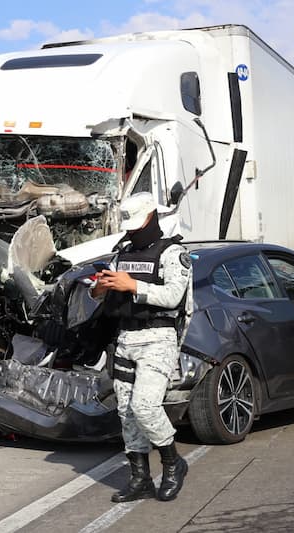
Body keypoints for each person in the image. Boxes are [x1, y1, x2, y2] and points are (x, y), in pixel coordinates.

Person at [91, 192, 193, 502]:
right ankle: (140, 478)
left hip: (157, 339)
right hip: (126, 340)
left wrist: (132, 285)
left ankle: (173, 464)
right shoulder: (121, 253)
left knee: (145, 406)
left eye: (138, 224)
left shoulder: (173, 253)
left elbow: (174, 296)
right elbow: (97, 295)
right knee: (126, 413)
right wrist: (100, 287)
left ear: (152, 216)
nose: (133, 231)